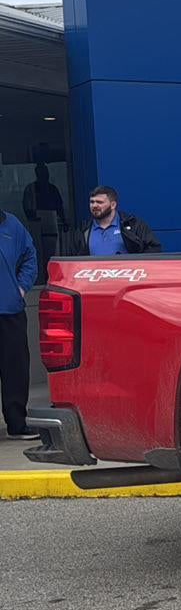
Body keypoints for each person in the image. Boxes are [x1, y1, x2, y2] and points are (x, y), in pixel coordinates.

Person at [0, 207, 39, 440]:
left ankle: (17, 423)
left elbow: (29, 256)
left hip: (10, 310)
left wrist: (21, 288)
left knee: (15, 369)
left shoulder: (12, 225)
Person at [65, 186, 162, 256]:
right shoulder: (83, 230)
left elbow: (154, 250)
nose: (94, 206)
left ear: (113, 205)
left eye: (99, 202)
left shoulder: (133, 224)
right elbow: (72, 260)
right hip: (94, 282)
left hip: (128, 281)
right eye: (92, 202)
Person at [22, 163, 68, 272]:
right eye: (41, 173)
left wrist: (64, 221)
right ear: (37, 174)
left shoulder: (52, 189)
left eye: (46, 173)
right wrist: (33, 219)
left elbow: (59, 207)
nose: (44, 175)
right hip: (35, 225)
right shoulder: (31, 189)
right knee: (36, 253)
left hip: (51, 225)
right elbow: (26, 207)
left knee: (52, 253)